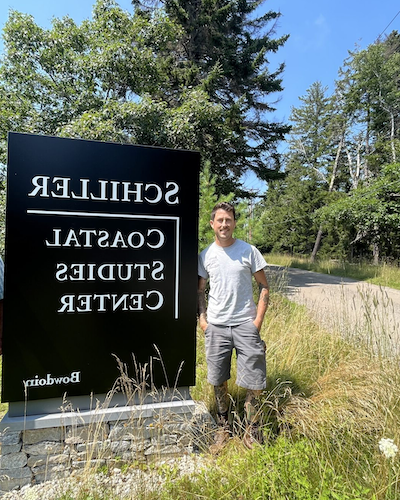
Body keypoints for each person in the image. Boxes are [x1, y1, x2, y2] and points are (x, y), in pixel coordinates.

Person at [198, 201, 269, 450]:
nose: (224, 224)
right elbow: (200, 291)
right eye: (220, 220)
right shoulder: (206, 255)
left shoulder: (249, 251)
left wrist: (257, 322)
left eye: (228, 220)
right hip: (216, 326)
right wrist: (203, 320)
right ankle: (223, 427)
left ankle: (251, 429)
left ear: (235, 222)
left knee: (254, 380)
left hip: (245, 325)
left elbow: (264, 285)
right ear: (212, 224)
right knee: (218, 379)